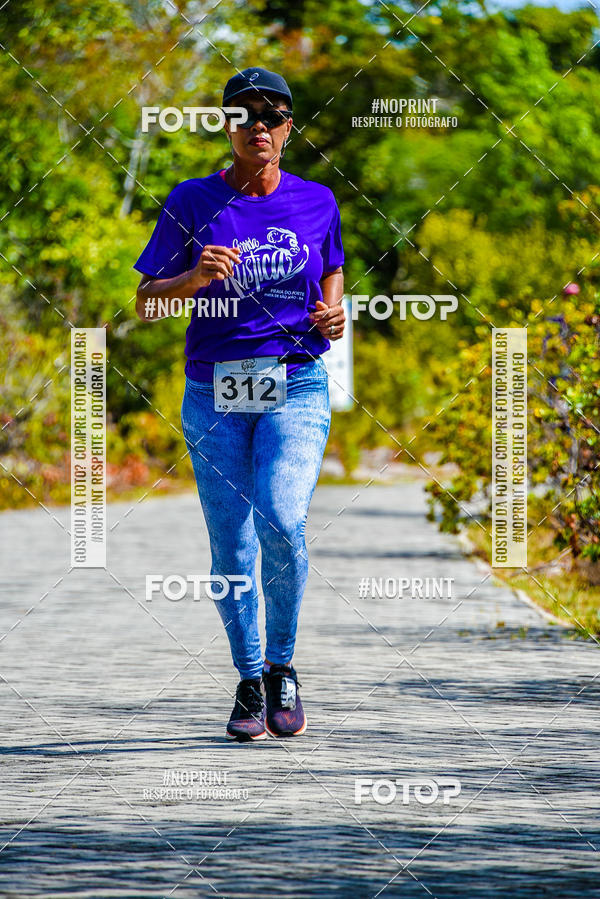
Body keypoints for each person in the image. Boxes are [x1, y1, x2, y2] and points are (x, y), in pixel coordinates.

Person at [134, 67, 345, 741]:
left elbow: (332, 268)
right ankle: (250, 680)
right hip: (215, 390)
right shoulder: (191, 199)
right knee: (231, 544)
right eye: (243, 113)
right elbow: (145, 304)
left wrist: (334, 313)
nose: (259, 125)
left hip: (297, 381)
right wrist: (195, 277)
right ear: (225, 125)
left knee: (281, 517)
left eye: (272, 114)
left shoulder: (318, 201)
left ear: (290, 127)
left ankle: (284, 667)